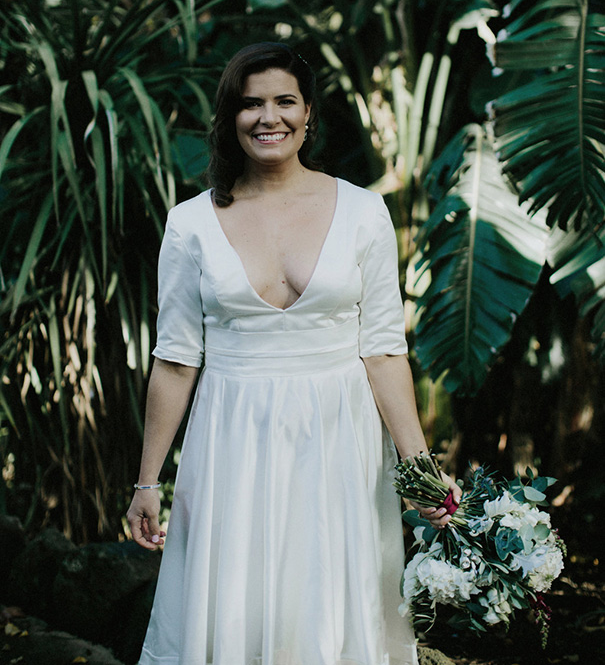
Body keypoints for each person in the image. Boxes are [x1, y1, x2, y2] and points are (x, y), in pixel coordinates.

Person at [127, 42, 461, 665]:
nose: (268, 117)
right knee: (237, 600)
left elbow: (384, 351)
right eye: (250, 103)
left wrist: (419, 468)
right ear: (230, 117)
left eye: (284, 101)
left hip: (340, 437)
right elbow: (175, 360)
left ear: (308, 113)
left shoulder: (363, 211)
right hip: (231, 436)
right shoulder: (190, 223)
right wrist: (149, 481)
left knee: (332, 594)